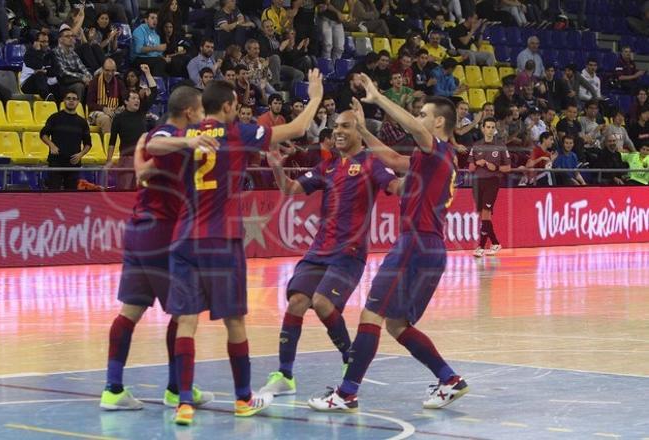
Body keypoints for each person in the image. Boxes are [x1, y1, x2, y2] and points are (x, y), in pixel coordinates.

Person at [163, 70, 326, 425]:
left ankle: (184, 403)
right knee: (234, 322)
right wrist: (314, 96)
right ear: (227, 106)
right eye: (237, 105)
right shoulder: (238, 132)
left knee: (186, 322)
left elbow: (152, 149)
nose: (241, 110)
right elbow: (297, 129)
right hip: (222, 238)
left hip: (185, 238)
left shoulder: (185, 134)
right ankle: (241, 400)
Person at [308, 74, 469, 412]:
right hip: (432, 249)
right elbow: (395, 162)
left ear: (438, 121)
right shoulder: (438, 159)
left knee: (371, 314)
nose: (420, 119)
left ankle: (346, 393)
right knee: (397, 324)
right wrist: (365, 132)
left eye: (424, 115)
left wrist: (378, 97)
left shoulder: (435, 146)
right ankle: (449, 379)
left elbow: (414, 128)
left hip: (414, 244)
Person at [259, 109, 399, 398]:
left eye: (346, 126)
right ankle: (285, 374)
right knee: (297, 302)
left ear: (360, 132)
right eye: (336, 126)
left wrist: (424, 176)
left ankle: (351, 359)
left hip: (349, 253)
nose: (338, 131)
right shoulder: (327, 167)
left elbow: (395, 186)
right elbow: (290, 189)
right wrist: (276, 167)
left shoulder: (371, 164)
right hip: (318, 251)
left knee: (322, 302)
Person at [100, 87, 216, 410]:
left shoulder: (170, 139)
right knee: (184, 312)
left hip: (140, 231)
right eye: (202, 112)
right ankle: (178, 390)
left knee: (131, 311)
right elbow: (155, 144)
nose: (205, 119)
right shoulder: (171, 133)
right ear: (191, 112)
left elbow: (145, 165)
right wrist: (187, 142)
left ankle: (113, 389)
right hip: (161, 231)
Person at [468, 117, 511, 258]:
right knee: (483, 215)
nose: (490, 130)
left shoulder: (500, 146)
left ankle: (480, 246)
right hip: (477, 182)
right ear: (483, 128)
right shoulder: (476, 145)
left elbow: (508, 168)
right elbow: (470, 167)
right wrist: (478, 163)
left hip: (492, 181)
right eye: (488, 127)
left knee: (486, 212)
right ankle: (495, 242)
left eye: (493, 127)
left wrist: (496, 167)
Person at [40, 90, 91, 190]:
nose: (71, 101)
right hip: (56, 162)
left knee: (71, 196)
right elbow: (43, 134)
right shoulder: (55, 117)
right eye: (68, 98)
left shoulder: (82, 122)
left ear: (78, 102)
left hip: (73, 164)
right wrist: (51, 145)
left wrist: (80, 155)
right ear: (64, 101)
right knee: (53, 193)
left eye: (74, 99)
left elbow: (88, 144)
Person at [107, 91, 148, 189]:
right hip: (126, 158)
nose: (137, 100)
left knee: (140, 191)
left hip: (142, 159)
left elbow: (154, 92)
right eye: (133, 98)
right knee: (125, 190)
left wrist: (148, 75)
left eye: (138, 98)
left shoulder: (141, 114)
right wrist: (108, 161)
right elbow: (112, 141)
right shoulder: (118, 118)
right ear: (126, 101)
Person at [87, 58, 127, 136]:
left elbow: (125, 100)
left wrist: (123, 107)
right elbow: (90, 103)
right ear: (102, 69)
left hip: (114, 111)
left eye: (112, 70)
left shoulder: (119, 83)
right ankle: (109, 145)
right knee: (106, 119)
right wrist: (104, 109)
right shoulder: (94, 82)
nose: (110, 73)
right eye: (107, 70)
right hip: (97, 112)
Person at [53, 26, 92, 101]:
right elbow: (63, 71)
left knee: (92, 85)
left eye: (72, 36)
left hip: (75, 79)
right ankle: (77, 109)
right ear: (60, 39)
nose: (71, 38)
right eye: (67, 36)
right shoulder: (55, 53)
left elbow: (83, 68)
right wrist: (82, 77)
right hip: (62, 83)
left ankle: (89, 109)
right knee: (79, 86)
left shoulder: (73, 54)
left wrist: (89, 78)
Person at [20, 31, 58, 100]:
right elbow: (39, 65)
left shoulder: (50, 54)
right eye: (43, 42)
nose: (46, 44)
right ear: (35, 42)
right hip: (27, 85)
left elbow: (55, 70)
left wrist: (46, 72)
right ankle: (47, 97)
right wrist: (38, 51)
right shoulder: (29, 53)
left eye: (47, 41)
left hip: (44, 83)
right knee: (39, 74)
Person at [132, 11, 167, 77]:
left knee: (169, 65)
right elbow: (139, 50)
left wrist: (165, 57)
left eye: (156, 18)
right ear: (146, 20)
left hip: (152, 59)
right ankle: (154, 85)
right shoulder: (139, 31)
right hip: (138, 59)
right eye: (152, 18)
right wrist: (156, 48)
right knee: (160, 62)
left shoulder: (156, 35)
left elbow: (158, 54)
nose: (155, 20)